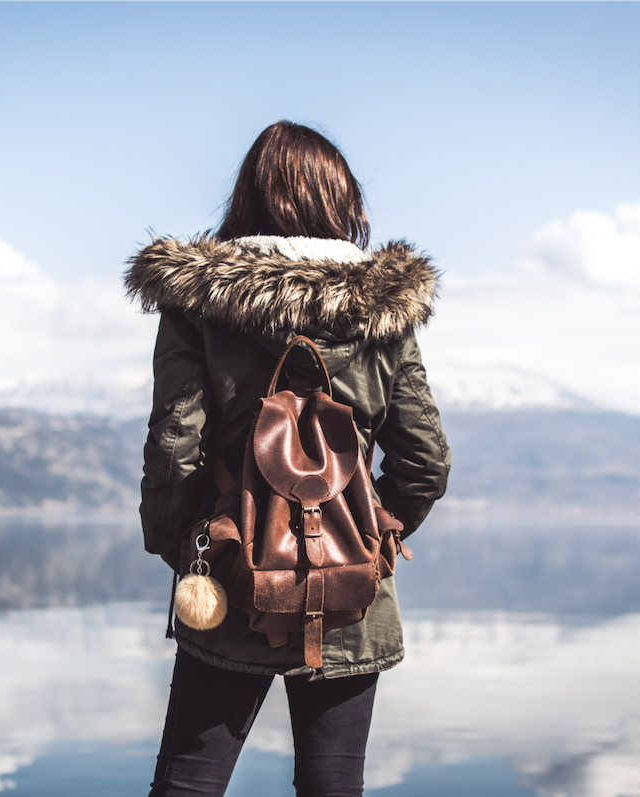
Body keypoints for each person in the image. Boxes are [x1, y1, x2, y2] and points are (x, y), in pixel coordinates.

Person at [125, 121, 450, 797]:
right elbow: (425, 460)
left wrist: (190, 549)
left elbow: (175, 448)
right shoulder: (386, 310)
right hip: (353, 588)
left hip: (228, 577)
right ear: (342, 201)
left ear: (247, 199)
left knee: (189, 783)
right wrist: (367, 536)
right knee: (333, 785)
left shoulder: (198, 301)